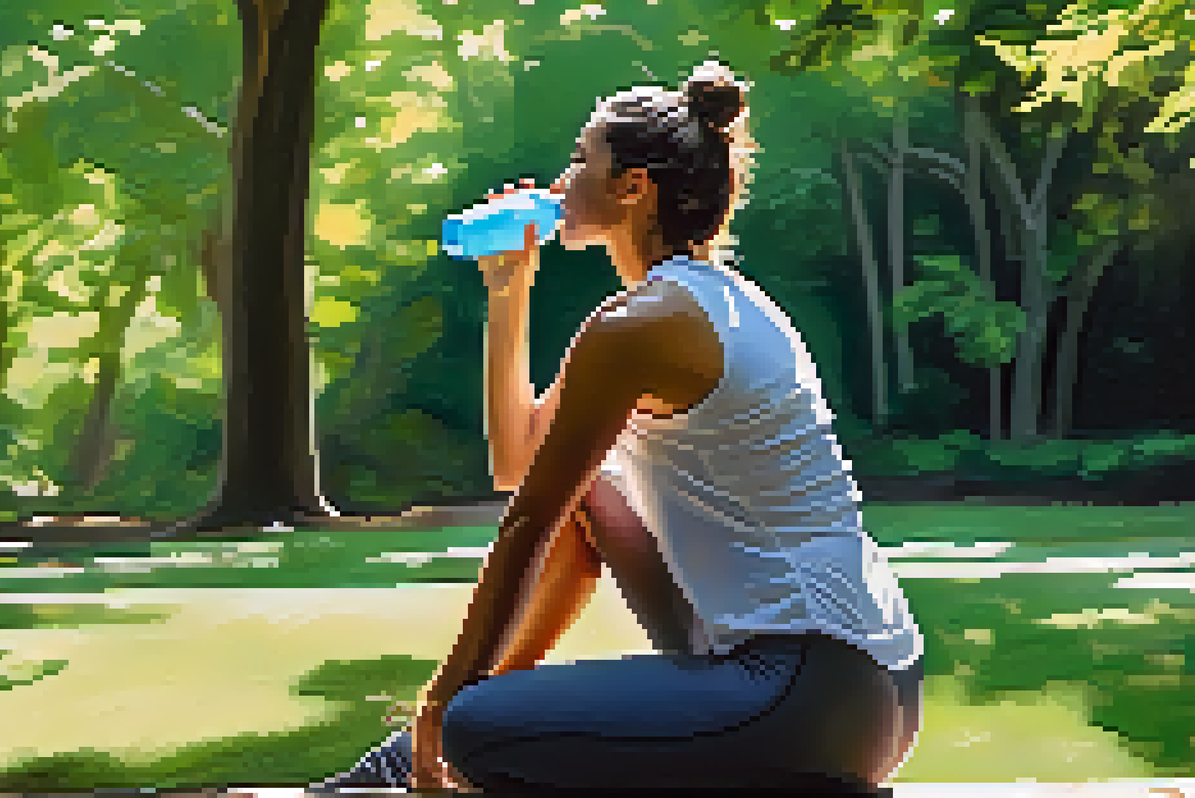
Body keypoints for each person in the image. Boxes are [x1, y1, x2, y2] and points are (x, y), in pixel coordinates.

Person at [311, 59, 924, 795]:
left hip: (801, 689)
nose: (563, 181)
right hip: (875, 690)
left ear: (634, 187)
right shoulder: (704, 305)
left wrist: (442, 701)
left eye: (581, 162)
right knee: (589, 497)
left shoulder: (641, 326)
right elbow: (523, 469)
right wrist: (510, 291)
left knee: (477, 730)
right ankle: (423, 750)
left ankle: (435, 744)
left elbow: (525, 522)